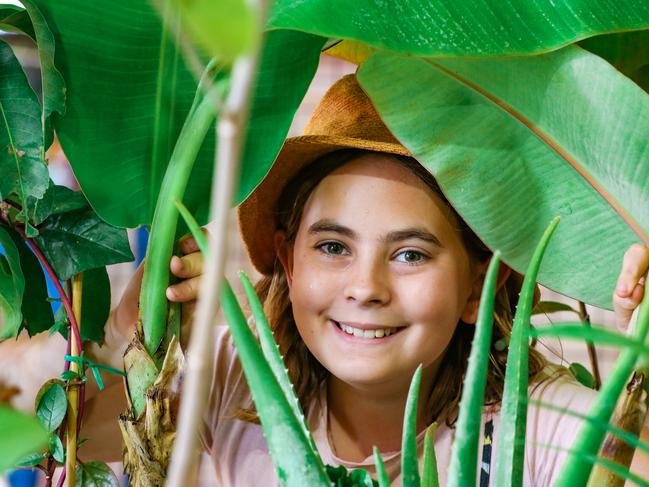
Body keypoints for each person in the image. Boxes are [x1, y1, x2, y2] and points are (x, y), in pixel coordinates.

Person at [92, 74, 649, 485]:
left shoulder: (537, 429)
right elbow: (52, 443)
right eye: (333, 247)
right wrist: (125, 340)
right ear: (288, 262)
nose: (365, 287)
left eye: (409, 255)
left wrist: (639, 376)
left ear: (479, 286)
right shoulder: (235, 381)